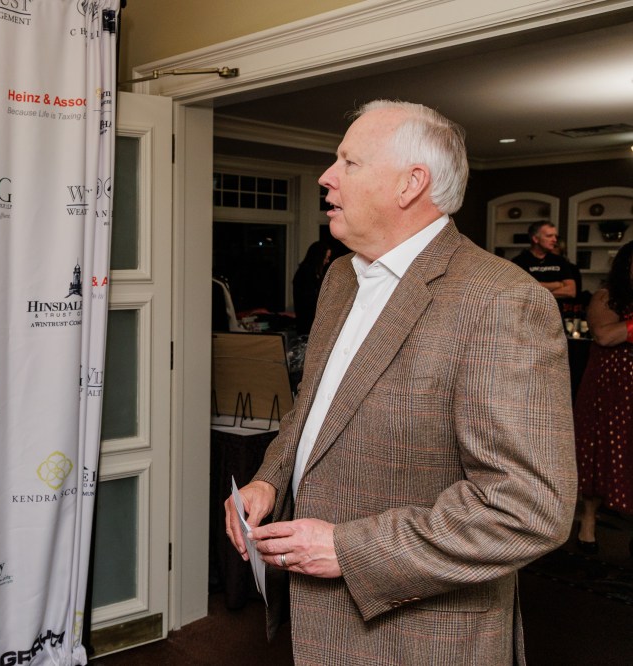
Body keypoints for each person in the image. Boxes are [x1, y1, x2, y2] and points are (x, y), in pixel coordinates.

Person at [224, 100, 576, 664]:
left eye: (349, 162)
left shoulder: (501, 300)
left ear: (411, 183)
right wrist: (270, 478)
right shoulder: (341, 277)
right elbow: (313, 408)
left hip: (421, 637)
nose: (327, 177)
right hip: (324, 626)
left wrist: (349, 549)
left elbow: (527, 509)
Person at [573, 240, 633, 555]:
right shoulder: (605, 297)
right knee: (600, 452)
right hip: (609, 389)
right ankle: (588, 522)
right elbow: (605, 335)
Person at [512, 221, 578, 308]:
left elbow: (571, 291)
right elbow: (521, 291)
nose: (554, 240)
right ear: (535, 239)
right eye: (549, 236)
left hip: (555, 313)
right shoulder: (519, 262)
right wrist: (558, 284)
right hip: (528, 312)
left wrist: (538, 293)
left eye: (555, 236)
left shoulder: (560, 261)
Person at [291, 240, 331, 335]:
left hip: (312, 324)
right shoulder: (305, 274)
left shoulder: (313, 274)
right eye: (326, 258)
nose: (327, 261)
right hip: (308, 326)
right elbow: (309, 303)